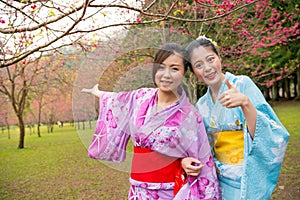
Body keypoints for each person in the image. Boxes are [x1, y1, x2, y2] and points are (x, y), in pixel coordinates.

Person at [81, 43, 220, 199]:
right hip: (137, 189)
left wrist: (186, 162)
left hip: (169, 191)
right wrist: (97, 92)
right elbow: (117, 100)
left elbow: (200, 157)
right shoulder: (141, 97)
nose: (166, 75)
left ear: (184, 73)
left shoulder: (190, 115)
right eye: (161, 67)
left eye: (174, 69)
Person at [182, 36, 290, 199]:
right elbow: (199, 147)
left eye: (210, 59)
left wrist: (245, 103)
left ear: (219, 57)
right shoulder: (201, 104)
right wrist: (186, 161)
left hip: (247, 178)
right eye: (198, 65)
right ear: (194, 73)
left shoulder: (243, 84)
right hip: (217, 180)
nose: (207, 68)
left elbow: (272, 134)